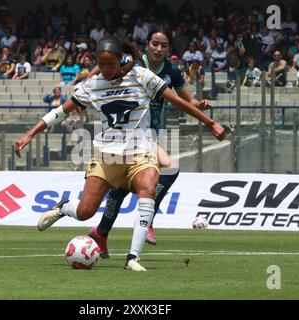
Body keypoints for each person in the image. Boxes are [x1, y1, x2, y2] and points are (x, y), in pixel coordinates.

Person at [14, 37, 225, 271]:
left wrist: (210, 123)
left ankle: (132, 258)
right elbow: (60, 112)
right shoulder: (92, 85)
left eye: (109, 65)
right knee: (85, 212)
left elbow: (177, 101)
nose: (105, 70)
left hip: (141, 151)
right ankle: (64, 207)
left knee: (148, 190)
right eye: (100, 65)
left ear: (120, 61)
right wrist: (29, 134)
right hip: (107, 155)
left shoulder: (141, 76)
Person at [84, 30, 219, 257]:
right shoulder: (134, 63)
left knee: (122, 189)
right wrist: (88, 82)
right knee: (169, 168)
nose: (158, 48)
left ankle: (102, 232)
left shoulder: (171, 71)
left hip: (148, 134)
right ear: (147, 45)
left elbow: (189, 100)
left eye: (163, 45)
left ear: (168, 49)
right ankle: (147, 217)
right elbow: (105, 65)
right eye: (154, 44)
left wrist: (200, 105)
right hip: (126, 134)